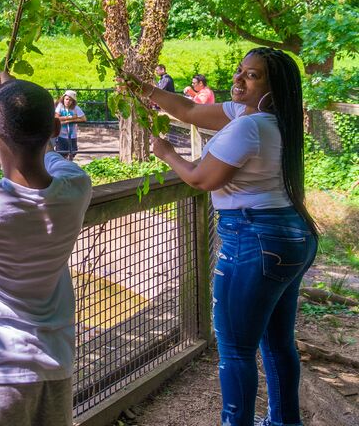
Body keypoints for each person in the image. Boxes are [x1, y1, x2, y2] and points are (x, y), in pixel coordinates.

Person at [128, 47, 318, 426]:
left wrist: (167, 153)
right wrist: (143, 88)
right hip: (289, 234)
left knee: (235, 349)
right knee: (277, 342)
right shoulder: (255, 116)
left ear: (274, 86)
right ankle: (284, 421)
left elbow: (201, 179)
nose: (238, 79)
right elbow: (189, 111)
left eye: (252, 76)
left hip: (254, 236)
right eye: (239, 71)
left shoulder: (252, 125)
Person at [0, 77, 92, 426]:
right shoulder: (76, 189)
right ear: (55, 128)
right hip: (54, 364)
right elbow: (56, 165)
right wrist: (35, 132)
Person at [54, 90, 86, 160]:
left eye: (70, 100)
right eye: (67, 99)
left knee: (72, 152)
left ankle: (69, 164)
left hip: (72, 135)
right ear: (63, 99)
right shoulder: (60, 106)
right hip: (61, 135)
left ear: (73, 102)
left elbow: (83, 119)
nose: (68, 101)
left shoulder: (75, 108)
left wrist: (69, 120)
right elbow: (56, 118)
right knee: (60, 153)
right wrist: (71, 117)